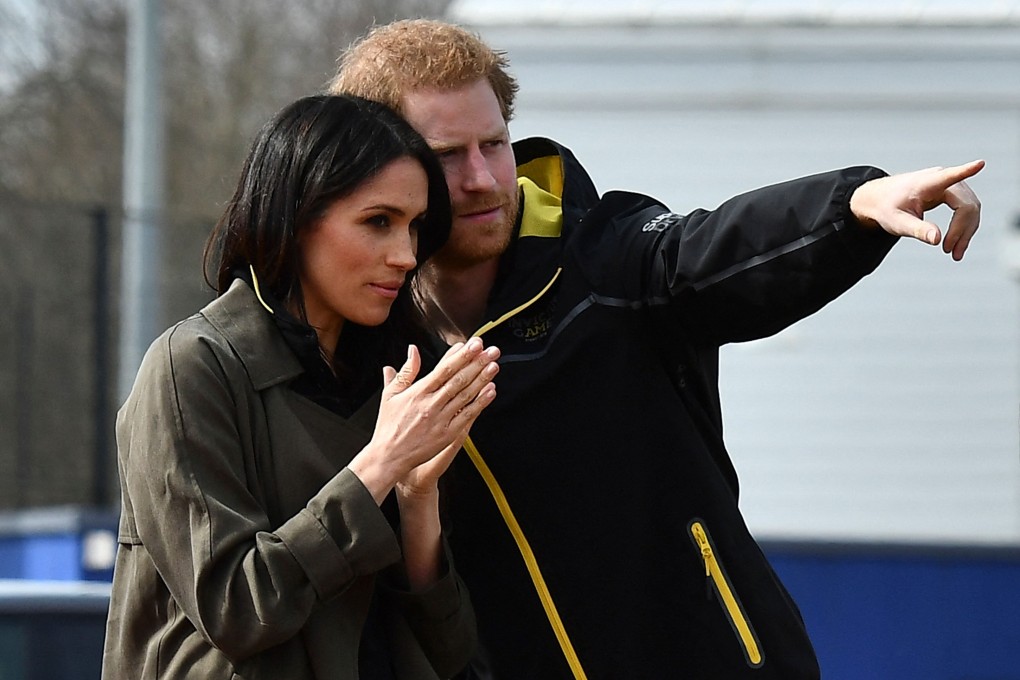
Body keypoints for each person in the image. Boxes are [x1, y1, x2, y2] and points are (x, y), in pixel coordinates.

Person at [329, 19, 983, 680]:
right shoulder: (365, 341)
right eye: (447, 155)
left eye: (494, 143)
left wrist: (853, 205)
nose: (482, 177)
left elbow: (712, 249)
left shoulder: (606, 260)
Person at [101, 94, 502, 680]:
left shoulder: (404, 378)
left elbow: (450, 652)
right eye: (378, 221)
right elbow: (237, 610)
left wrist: (417, 500)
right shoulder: (193, 367)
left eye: (415, 227)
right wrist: (379, 466)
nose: (405, 255)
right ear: (294, 219)